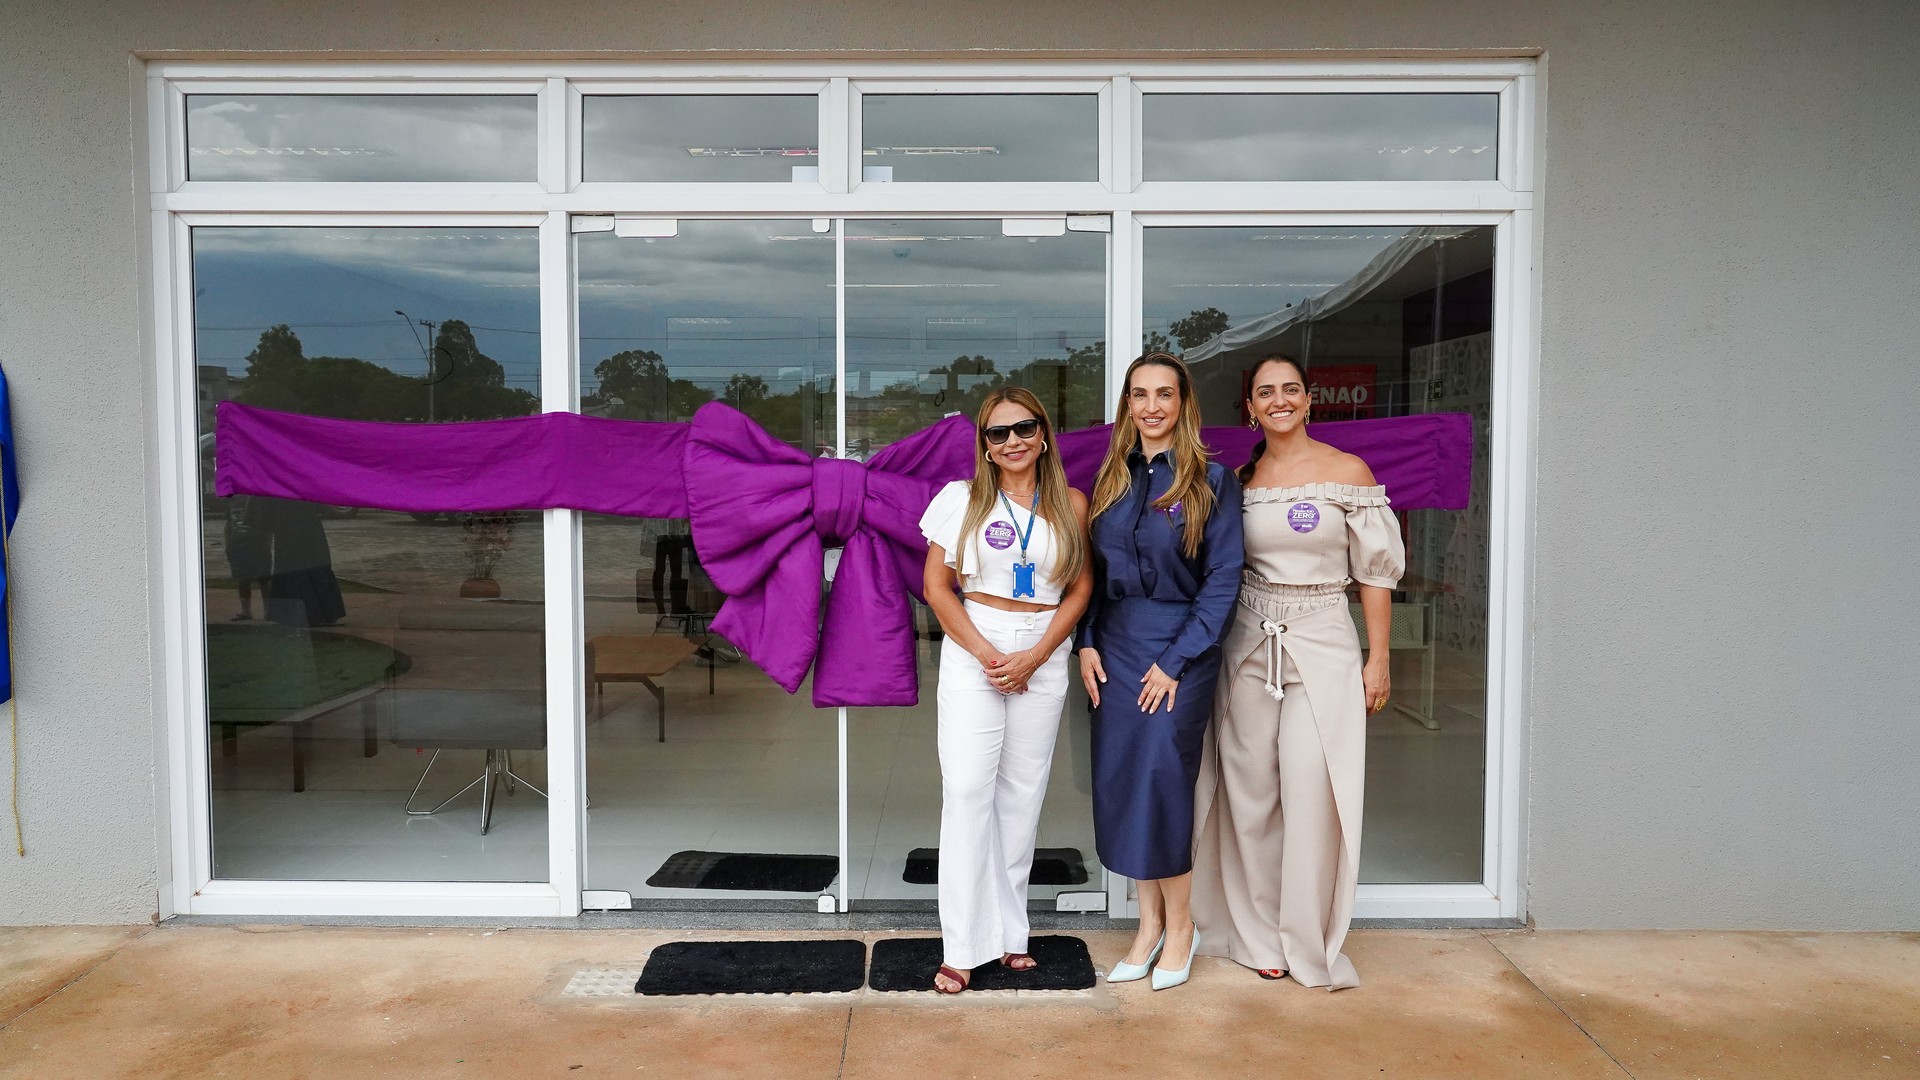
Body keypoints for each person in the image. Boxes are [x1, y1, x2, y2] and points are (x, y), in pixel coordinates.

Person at [1190, 354, 1405, 990]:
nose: (1279, 400)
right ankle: (1258, 935)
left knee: (1314, 788)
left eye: (1291, 389)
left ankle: (1305, 935)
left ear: (1309, 400)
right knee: (1250, 790)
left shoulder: (1348, 472)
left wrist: (1379, 657)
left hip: (1325, 639)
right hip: (1249, 641)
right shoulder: (1238, 479)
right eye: (1265, 392)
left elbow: (1374, 573)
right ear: (1249, 408)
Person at [1076, 352, 1243, 991]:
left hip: (1180, 649)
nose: (1151, 406)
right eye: (1140, 395)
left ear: (1183, 403)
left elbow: (1223, 578)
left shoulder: (1213, 481)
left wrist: (1175, 662)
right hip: (1113, 646)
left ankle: (1181, 928)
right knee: (1125, 781)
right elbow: (1087, 571)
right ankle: (1146, 926)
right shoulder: (1111, 479)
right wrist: (1085, 642)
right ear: (1128, 405)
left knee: (1163, 781)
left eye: (1164, 394)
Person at [919, 387, 1092, 993]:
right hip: (978, 643)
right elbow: (937, 587)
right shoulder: (960, 501)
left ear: (1043, 434)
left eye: (1024, 428)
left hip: (1041, 648)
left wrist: (1036, 656)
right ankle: (963, 944)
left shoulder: (1071, 503)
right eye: (999, 433)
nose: (1013, 440)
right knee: (968, 790)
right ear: (985, 447)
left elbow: (1079, 589)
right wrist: (992, 655)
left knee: (1021, 798)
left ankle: (1010, 936)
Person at [222, 493, 272, 621]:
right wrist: (229, 544)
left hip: (258, 543)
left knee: (264, 579)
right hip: (238, 544)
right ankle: (246, 610)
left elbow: (267, 526)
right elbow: (228, 525)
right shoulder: (231, 501)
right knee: (243, 579)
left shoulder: (259, 500)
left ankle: (268, 610)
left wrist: (267, 545)